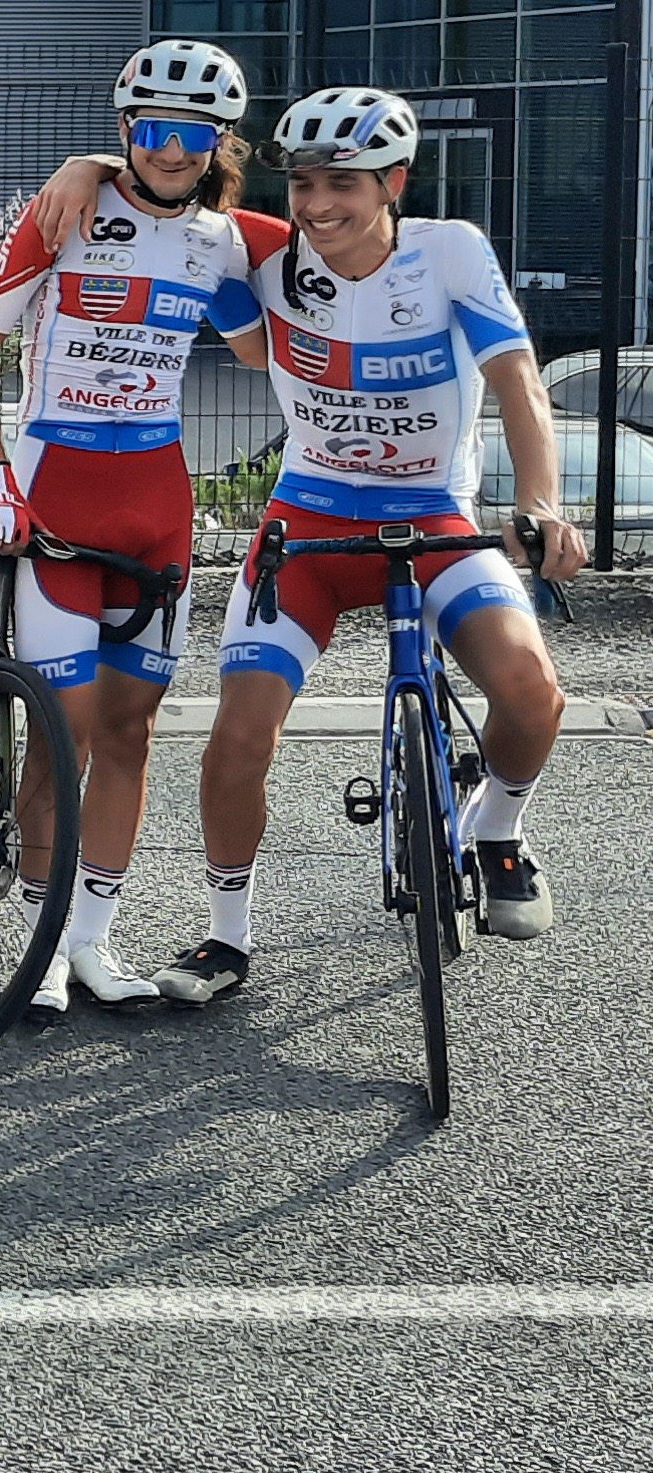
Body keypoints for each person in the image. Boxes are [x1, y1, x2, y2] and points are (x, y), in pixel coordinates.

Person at [31, 87, 583, 1007]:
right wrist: (86, 166)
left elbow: (518, 378)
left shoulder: (450, 250)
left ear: (394, 183)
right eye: (305, 186)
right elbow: (170, 201)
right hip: (308, 527)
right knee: (239, 738)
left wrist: (541, 503)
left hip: (435, 521)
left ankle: (497, 828)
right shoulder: (263, 257)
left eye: (346, 186)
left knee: (532, 693)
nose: (321, 205)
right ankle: (226, 933)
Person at [0, 40, 266, 1018]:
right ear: (127, 131)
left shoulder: (228, 243)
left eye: (195, 135)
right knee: (66, 733)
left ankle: (91, 939)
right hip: (56, 493)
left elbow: (266, 352)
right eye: (155, 132)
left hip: (155, 502)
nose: (173, 151)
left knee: (130, 729)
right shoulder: (66, 211)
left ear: (219, 143)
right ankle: (40, 946)